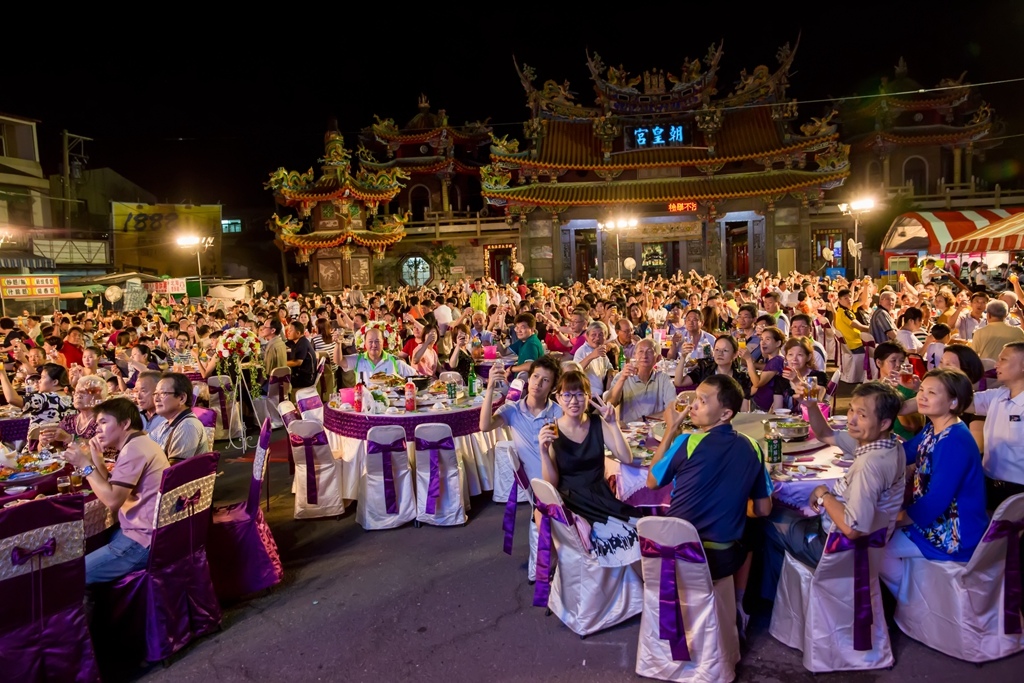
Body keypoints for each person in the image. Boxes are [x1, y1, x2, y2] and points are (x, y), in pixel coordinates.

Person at [646, 374, 772, 633]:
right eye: (695, 399)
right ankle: (738, 603)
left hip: (675, 554)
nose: (692, 406)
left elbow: (652, 481)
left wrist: (671, 429)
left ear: (725, 413)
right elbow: (763, 509)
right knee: (754, 529)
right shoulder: (753, 447)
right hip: (722, 558)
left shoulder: (688, 441)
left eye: (702, 401)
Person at [763, 382, 906, 599]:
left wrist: (824, 494)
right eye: (851, 409)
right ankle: (784, 595)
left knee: (766, 518)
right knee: (783, 513)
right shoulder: (888, 444)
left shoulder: (870, 465)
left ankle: (776, 602)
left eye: (862, 415)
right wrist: (811, 406)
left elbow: (853, 528)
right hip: (866, 542)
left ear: (885, 422)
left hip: (840, 549)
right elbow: (824, 434)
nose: (852, 419)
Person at [879, 369, 987, 593]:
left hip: (953, 530)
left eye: (932, 392)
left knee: (878, 548)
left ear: (953, 402)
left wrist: (895, 519)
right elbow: (904, 454)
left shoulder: (954, 441)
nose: (921, 396)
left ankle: (912, 602)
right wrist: (871, 452)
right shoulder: (934, 428)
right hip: (936, 519)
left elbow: (936, 500)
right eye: (921, 390)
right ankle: (915, 596)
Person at [537, 370, 640, 566]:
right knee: (602, 540)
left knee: (635, 531)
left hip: (600, 496)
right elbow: (551, 483)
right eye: (567, 394)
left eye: (579, 394)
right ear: (558, 397)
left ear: (588, 397)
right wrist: (543, 452)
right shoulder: (552, 429)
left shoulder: (596, 423)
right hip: (571, 500)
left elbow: (626, 457)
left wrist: (613, 424)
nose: (573, 401)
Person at [65, 397, 170, 584]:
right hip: (151, 531)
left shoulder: (133, 450)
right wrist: (96, 457)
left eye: (104, 422)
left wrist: (84, 465)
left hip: (142, 541)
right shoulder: (141, 443)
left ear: (126, 423)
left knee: (71, 577)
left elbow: (113, 501)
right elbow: (109, 484)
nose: (98, 429)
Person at [480, 354, 562, 482]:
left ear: (553, 388)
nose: (538, 383)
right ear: (529, 379)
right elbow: (485, 426)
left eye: (545, 380)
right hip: (537, 485)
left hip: (560, 478)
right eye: (535, 376)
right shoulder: (513, 410)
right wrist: (490, 387)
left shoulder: (558, 413)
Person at [604, 338, 677, 424]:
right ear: (634, 356)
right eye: (641, 351)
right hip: (630, 431)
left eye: (649, 351)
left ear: (658, 358)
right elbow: (610, 403)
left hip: (656, 429)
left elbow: (673, 410)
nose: (644, 356)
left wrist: (644, 419)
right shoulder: (622, 376)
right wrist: (622, 379)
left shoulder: (663, 379)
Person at [674, 335, 754, 408]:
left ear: (735, 355)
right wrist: (683, 357)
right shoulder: (704, 368)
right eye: (717, 350)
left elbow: (744, 410)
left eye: (725, 350)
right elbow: (679, 382)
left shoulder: (742, 378)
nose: (720, 354)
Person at [149, 372, 210, 461]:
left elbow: (174, 471)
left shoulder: (187, 426)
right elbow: (145, 444)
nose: (156, 399)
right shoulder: (167, 423)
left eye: (162, 393)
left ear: (182, 398)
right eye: (155, 394)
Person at [0, 362, 73, 426]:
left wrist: (2, 374)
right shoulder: (71, 397)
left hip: (43, 440)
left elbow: (12, 399)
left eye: (42, 377)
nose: (39, 381)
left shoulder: (44, 399)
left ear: (55, 382)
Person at [342, 326, 418, 383]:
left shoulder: (394, 361)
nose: (374, 345)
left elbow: (416, 376)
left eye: (377, 341)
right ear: (365, 343)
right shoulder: (359, 359)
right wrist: (338, 343)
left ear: (383, 343)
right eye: (370, 341)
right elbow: (339, 361)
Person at [775, 337, 829, 412]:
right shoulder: (781, 378)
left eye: (800, 355)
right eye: (790, 354)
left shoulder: (816, 376)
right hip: (786, 421)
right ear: (786, 357)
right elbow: (777, 409)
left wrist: (796, 380)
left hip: (809, 421)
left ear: (808, 357)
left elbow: (814, 406)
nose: (794, 359)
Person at [572, 321, 617, 397]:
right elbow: (574, 372)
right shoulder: (582, 351)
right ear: (587, 336)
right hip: (587, 396)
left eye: (601, 335)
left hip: (600, 395)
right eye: (593, 335)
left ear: (605, 337)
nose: (597, 338)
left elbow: (610, 369)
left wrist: (610, 375)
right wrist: (592, 356)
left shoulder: (602, 351)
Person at [285, 320, 317, 389]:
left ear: (298, 333)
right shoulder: (295, 341)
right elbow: (283, 345)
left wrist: (281, 363)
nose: (288, 332)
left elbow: (298, 362)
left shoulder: (303, 344)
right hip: (299, 375)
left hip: (306, 378)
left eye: (290, 330)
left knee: (281, 382)